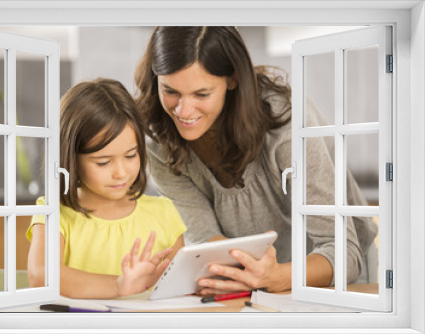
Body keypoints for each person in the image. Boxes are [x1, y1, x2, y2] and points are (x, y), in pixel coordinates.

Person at [135, 26, 377, 294]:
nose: (183, 111)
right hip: (257, 285)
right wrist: (230, 275)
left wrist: (276, 276)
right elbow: (206, 240)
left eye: (202, 94)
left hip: (330, 274)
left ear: (233, 79)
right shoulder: (159, 144)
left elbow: (344, 252)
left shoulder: (286, 120)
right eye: (170, 91)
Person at [26, 78, 186, 299]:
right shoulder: (53, 214)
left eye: (131, 155)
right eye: (103, 162)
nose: (121, 172)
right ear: (70, 158)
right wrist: (118, 286)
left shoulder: (165, 212)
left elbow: (182, 286)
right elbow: (40, 275)